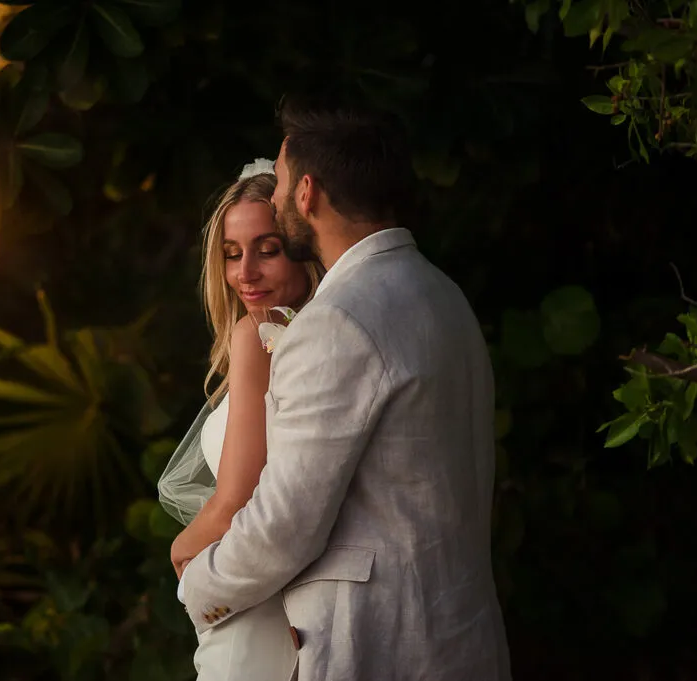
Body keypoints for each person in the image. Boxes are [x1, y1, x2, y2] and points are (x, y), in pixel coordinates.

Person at [172, 95, 513, 681]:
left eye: (278, 187)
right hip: (461, 642)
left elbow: (284, 524)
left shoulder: (338, 321)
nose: (274, 203)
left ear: (307, 193)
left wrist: (197, 587)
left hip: (379, 647)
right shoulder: (444, 296)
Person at [157, 162, 323, 681]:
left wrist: (182, 549)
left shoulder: (258, 338)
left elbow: (233, 504)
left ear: (302, 248)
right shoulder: (315, 340)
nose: (245, 272)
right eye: (232, 255)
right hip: (284, 610)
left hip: (251, 609)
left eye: (267, 250)